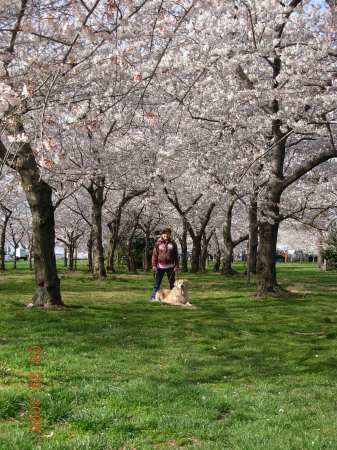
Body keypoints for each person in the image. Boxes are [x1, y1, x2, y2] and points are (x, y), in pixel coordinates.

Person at [148, 227, 179, 302]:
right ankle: (153, 298)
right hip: (160, 267)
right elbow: (154, 255)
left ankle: (174, 298)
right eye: (164, 233)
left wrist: (176, 265)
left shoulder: (173, 243)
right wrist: (154, 265)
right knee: (157, 284)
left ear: (170, 234)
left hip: (171, 267)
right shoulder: (158, 243)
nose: (166, 235)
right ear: (162, 235)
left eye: (168, 233)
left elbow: (176, 255)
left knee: (172, 284)